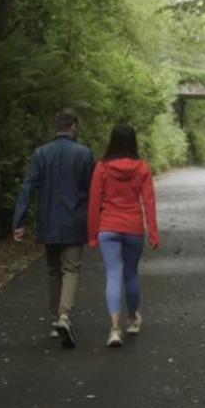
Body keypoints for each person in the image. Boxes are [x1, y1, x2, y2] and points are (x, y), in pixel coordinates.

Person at [13, 108, 96, 348]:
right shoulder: (84, 154)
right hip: (74, 221)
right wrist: (96, 223)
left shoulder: (41, 154)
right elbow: (92, 192)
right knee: (71, 269)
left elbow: (28, 187)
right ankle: (64, 316)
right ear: (74, 127)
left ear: (56, 126)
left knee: (53, 270)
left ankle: (55, 319)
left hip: (48, 221)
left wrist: (18, 221)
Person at [86, 122, 159, 348]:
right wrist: (153, 233)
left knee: (113, 275)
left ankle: (115, 329)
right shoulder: (142, 168)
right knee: (131, 274)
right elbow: (149, 201)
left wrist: (92, 234)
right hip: (133, 228)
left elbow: (94, 203)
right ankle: (132, 319)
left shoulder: (102, 168)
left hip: (108, 228)